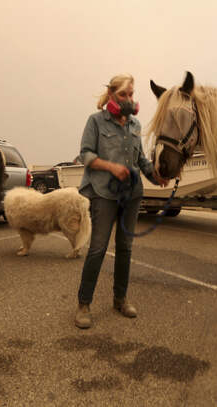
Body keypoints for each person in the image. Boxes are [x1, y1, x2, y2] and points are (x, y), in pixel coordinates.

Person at [75, 74, 168, 329]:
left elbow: (141, 161)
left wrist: (156, 176)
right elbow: (85, 155)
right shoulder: (95, 121)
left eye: (132, 94)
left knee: (125, 248)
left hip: (131, 196)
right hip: (103, 194)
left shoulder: (135, 125)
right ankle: (84, 303)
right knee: (97, 248)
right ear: (112, 95)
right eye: (124, 95)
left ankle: (120, 299)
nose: (129, 99)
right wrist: (111, 167)